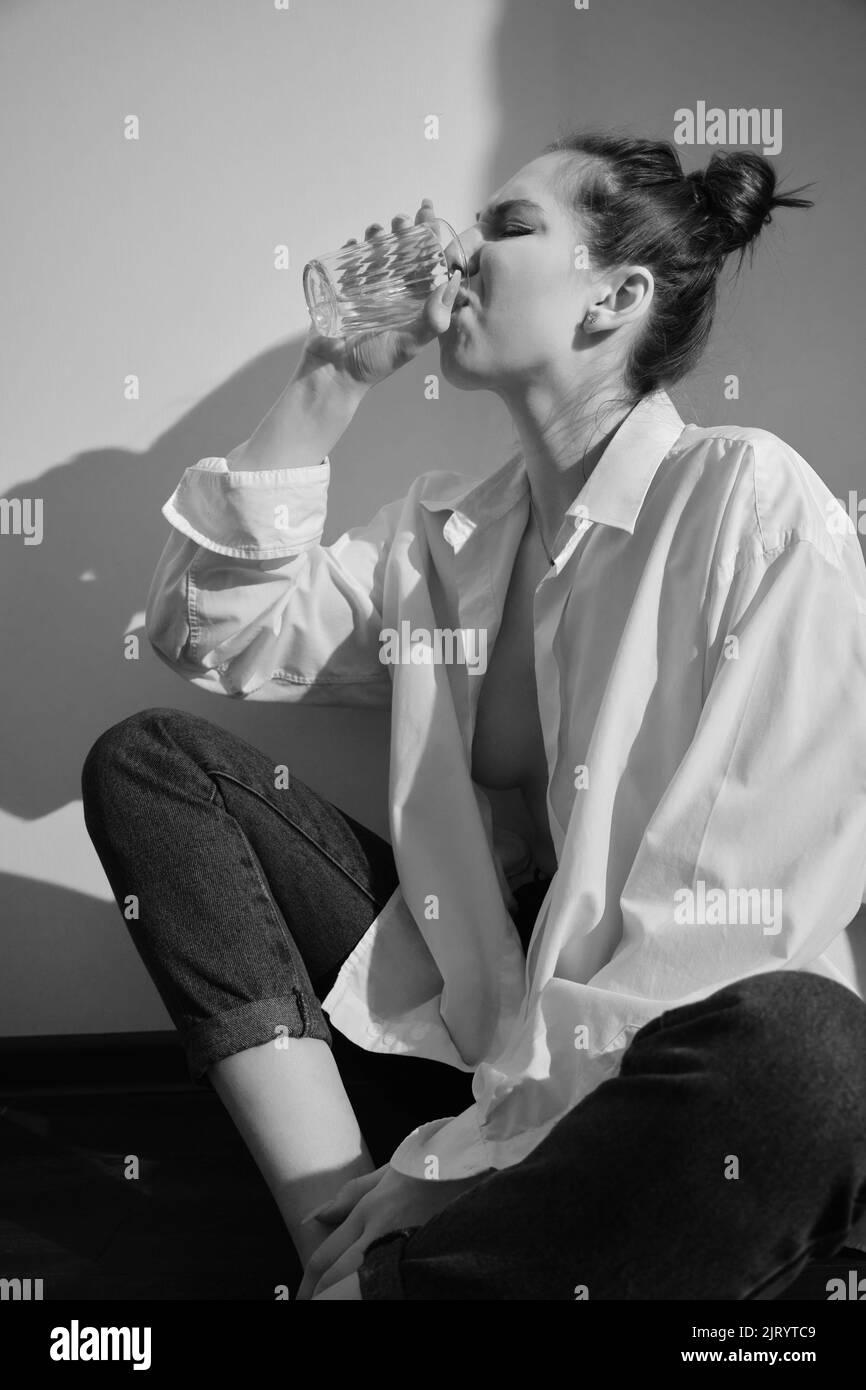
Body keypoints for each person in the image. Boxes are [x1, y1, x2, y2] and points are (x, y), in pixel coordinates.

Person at [81, 132, 866, 1301]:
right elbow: (208, 631)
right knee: (151, 765)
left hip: (653, 1078)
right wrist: (330, 378)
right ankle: (342, 1258)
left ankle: (425, 1255)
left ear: (615, 295)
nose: (456, 252)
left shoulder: (744, 501)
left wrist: (465, 1162)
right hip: (474, 1032)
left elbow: (727, 920)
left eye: (506, 227)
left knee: (807, 1056)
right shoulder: (442, 535)